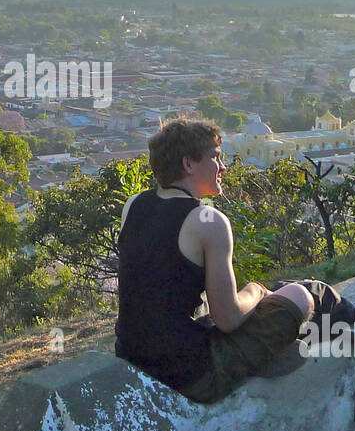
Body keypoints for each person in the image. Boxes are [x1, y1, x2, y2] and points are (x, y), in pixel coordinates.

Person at [115, 117, 316, 403]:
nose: (223, 167)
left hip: (131, 360)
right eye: (215, 158)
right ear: (188, 164)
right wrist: (256, 290)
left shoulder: (133, 204)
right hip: (188, 376)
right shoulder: (208, 220)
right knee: (299, 295)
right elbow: (228, 319)